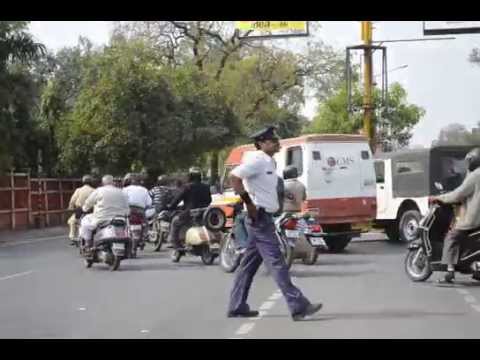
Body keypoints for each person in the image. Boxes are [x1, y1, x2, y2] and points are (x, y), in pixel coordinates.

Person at [226, 126, 322, 321]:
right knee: (277, 262)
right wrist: (249, 203)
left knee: (247, 266)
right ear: (261, 143)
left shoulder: (269, 161)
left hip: (263, 218)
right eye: (272, 140)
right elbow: (234, 178)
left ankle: (237, 306)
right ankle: (298, 306)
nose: (277, 143)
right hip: (259, 217)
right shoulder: (257, 159)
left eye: (276, 140)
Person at [432, 147, 480, 283]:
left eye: (469, 161)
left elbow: (459, 193)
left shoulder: (476, 175)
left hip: (474, 219)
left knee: (451, 237)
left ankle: (450, 272)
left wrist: (440, 198)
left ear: (474, 160)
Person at [80, 175, 129, 253]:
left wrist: (84, 208)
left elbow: (88, 203)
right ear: (113, 182)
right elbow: (127, 207)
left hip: (101, 218)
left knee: (85, 221)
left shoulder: (99, 191)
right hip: (120, 218)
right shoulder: (121, 192)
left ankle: (88, 243)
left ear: (103, 183)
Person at [167, 167, 212, 250]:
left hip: (190, 213)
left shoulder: (187, 187)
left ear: (190, 176)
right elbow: (209, 200)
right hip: (204, 213)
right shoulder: (206, 187)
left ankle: (176, 245)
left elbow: (177, 199)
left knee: (175, 222)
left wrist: (170, 206)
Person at [67, 175, 95, 244]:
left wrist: (70, 207)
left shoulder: (79, 190)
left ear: (83, 182)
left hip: (80, 211)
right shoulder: (94, 190)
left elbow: (72, 200)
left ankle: (72, 237)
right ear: (91, 182)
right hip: (91, 211)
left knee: (71, 221)